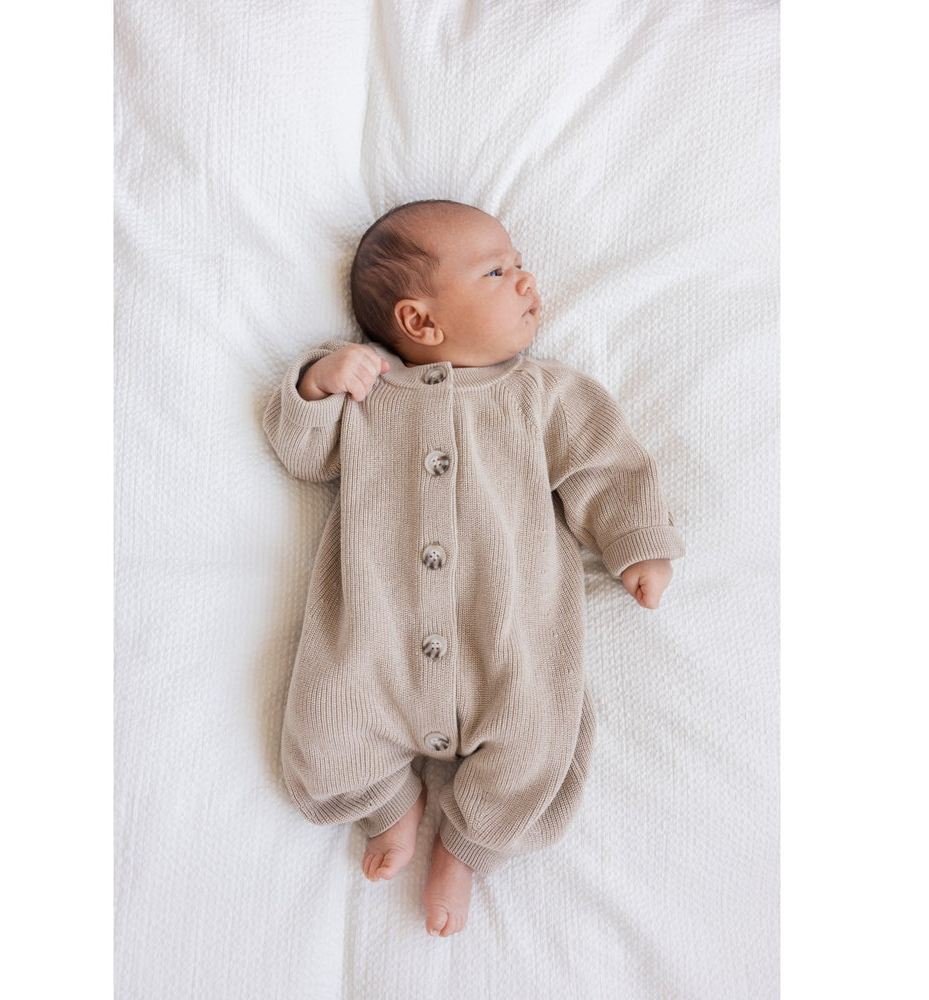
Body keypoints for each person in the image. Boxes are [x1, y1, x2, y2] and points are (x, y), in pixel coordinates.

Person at [263, 200, 684, 937]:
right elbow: (303, 453)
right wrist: (318, 382)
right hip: (375, 644)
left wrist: (636, 540)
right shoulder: (369, 393)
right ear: (420, 321)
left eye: (520, 265)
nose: (526, 281)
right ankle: (387, 806)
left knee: (540, 742)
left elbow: (607, 464)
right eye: (497, 272)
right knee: (326, 733)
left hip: (509, 641)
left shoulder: (541, 395)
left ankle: (465, 849)